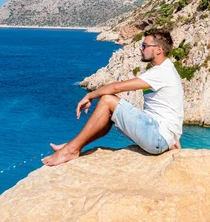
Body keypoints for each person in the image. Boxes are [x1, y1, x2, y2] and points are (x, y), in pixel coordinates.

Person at [42, 29, 184, 166]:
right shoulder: (166, 69)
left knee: (107, 100)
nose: (141, 48)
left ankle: (71, 150)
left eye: (144, 45)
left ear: (158, 49)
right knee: (109, 112)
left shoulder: (161, 72)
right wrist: (171, 137)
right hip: (159, 135)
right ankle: (74, 145)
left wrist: (89, 95)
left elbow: (116, 87)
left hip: (157, 137)